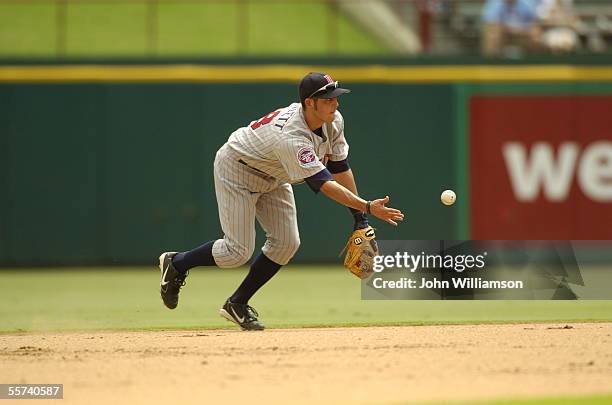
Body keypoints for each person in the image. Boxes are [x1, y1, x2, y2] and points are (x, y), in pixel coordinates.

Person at [158, 72, 404, 331]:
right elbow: (325, 183)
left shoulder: (333, 120)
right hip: (238, 168)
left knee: (287, 243)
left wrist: (359, 219)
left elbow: (340, 168)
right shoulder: (291, 137)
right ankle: (177, 263)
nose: (336, 103)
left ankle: (237, 303)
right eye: (329, 98)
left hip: (275, 173)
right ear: (310, 102)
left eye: (336, 98)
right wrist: (365, 206)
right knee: (236, 253)